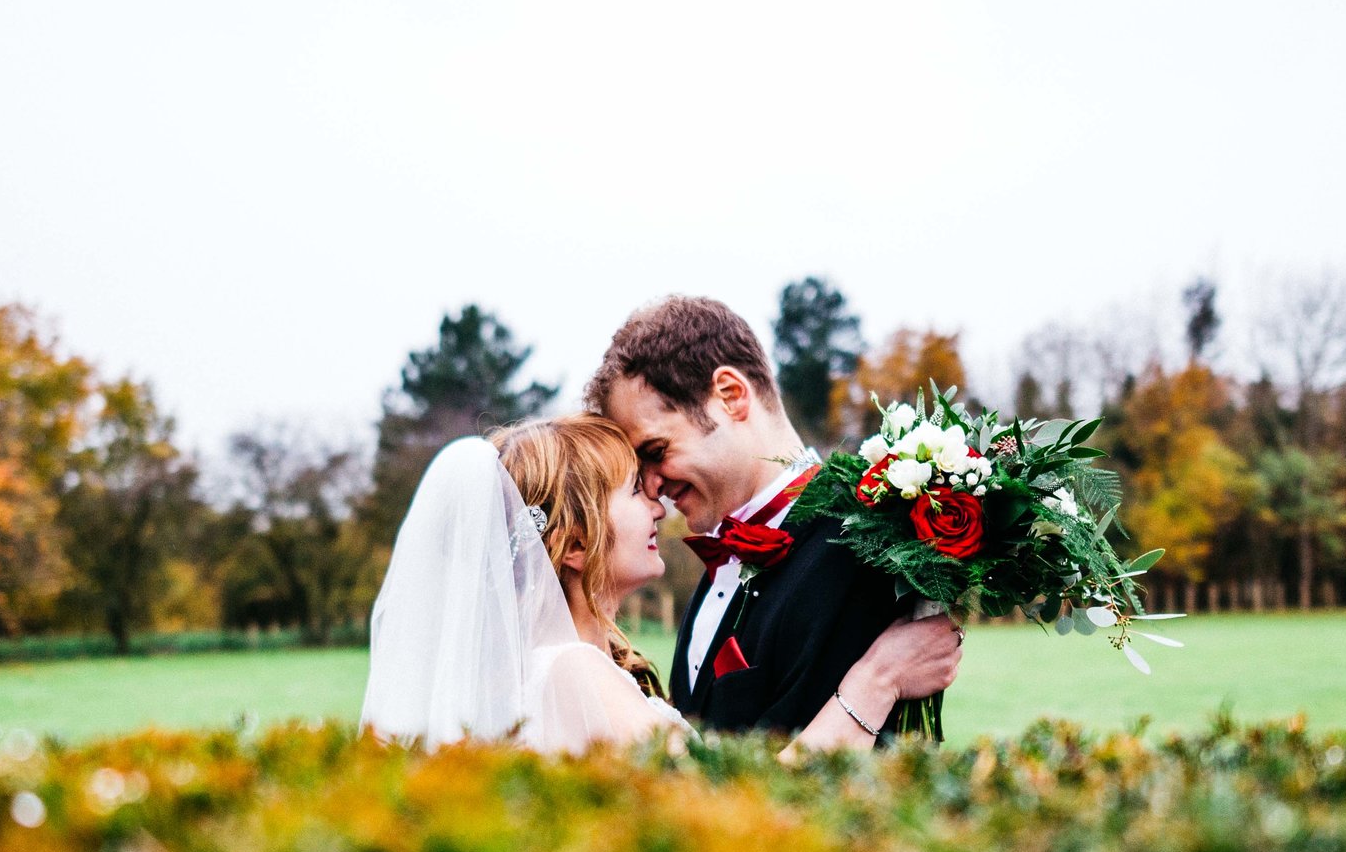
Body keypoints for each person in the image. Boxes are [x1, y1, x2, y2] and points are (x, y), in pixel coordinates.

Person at [360, 412, 958, 753]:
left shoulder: (565, 665)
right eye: (633, 492)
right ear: (573, 544)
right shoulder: (570, 672)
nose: (659, 508)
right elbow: (736, 820)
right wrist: (877, 682)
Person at [589, 294, 961, 741]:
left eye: (656, 451)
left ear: (730, 396)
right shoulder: (717, 561)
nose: (651, 487)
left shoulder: (862, 544)